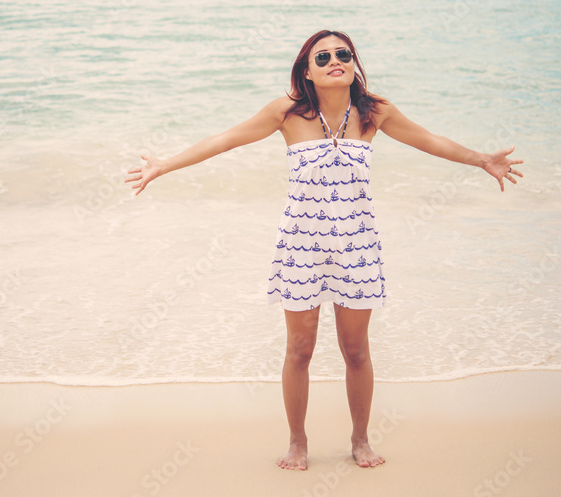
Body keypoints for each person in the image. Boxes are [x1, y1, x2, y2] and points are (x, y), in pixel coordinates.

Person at [125, 30, 523, 471]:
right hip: (302, 245)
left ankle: (360, 440)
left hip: (357, 243)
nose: (336, 60)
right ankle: (297, 442)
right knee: (300, 348)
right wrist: (164, 165)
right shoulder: (287, 114)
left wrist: (481, 159)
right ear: (307, 71)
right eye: (324, 56)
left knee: (356, 349)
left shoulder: (375, 113)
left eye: (344, 54)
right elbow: (224, 140)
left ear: (354, 64)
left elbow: (429, 141)